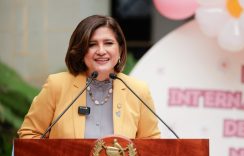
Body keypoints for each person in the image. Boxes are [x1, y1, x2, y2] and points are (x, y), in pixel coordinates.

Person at [17, 15, 161, 139]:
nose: (101, 51)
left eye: (108, 43)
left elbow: (152, 145)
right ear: (80, 50)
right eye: (92, 44)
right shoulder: (57, 85)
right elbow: (30, 134)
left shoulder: (138, 90)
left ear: (120, 49)